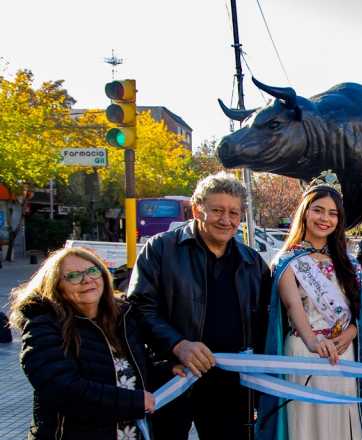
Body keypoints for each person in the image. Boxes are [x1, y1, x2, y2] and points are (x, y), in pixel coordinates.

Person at [127, 172, 272, 439]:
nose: (226, 220)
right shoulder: (160, 249)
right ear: (197, 210)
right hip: (173, 376)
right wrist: (177, 345)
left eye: (234, 213)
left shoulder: (252, 263)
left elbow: (267, 321)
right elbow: (138, 308)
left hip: (231, 385)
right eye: (217, 210)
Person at [258, 171, 362, 440]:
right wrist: (315, 343)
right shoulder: (287, 261)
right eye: (318, 210)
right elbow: (294, 309)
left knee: (341, 426)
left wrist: (352, 332)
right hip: (307, 354)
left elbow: (358, 317)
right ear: (305, 213)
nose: (325, 219)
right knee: (307, 427)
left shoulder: (348, 263)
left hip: (343, 357)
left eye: (333, 213)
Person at [12, 248, 157, 439]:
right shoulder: (43, 326)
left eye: (93, 271)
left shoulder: (123, 318)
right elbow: (62, 389)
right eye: (73, 276)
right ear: (57, 286)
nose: (87, 280)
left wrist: (170, 370)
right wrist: (133, 401)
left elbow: (133, 373)